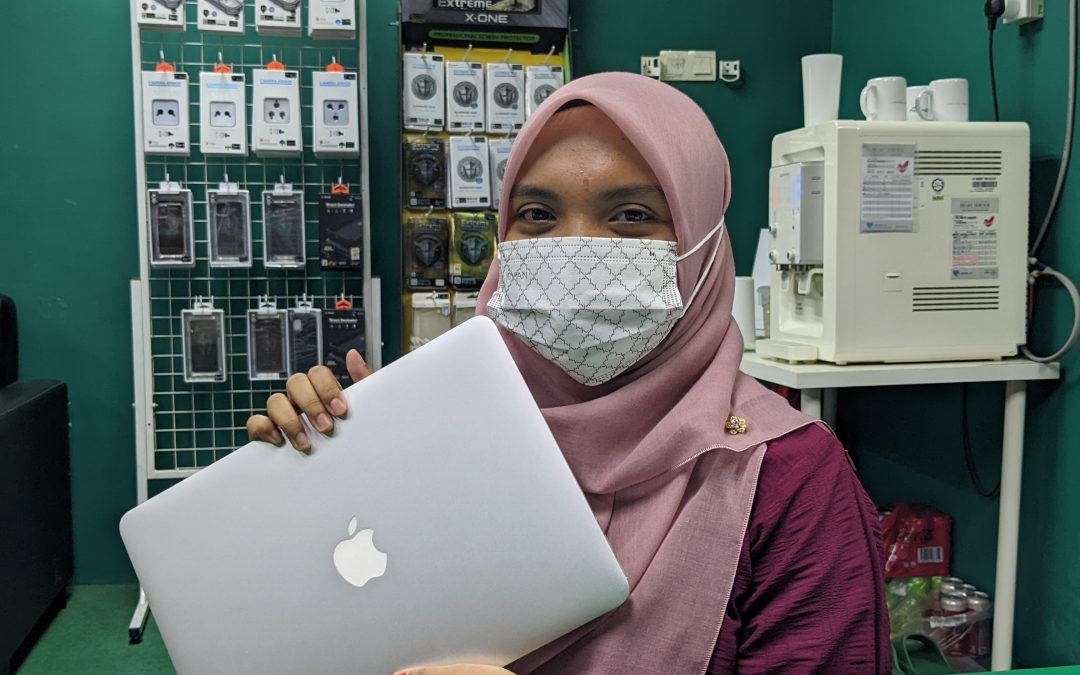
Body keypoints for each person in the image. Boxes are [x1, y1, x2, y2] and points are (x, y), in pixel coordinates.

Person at [247, 72, 889, 674]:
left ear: (700, 243)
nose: (573, 248)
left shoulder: (789, 479)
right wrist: (313, 479)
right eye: (537, 215)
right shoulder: (434, 432)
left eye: (632, 215)